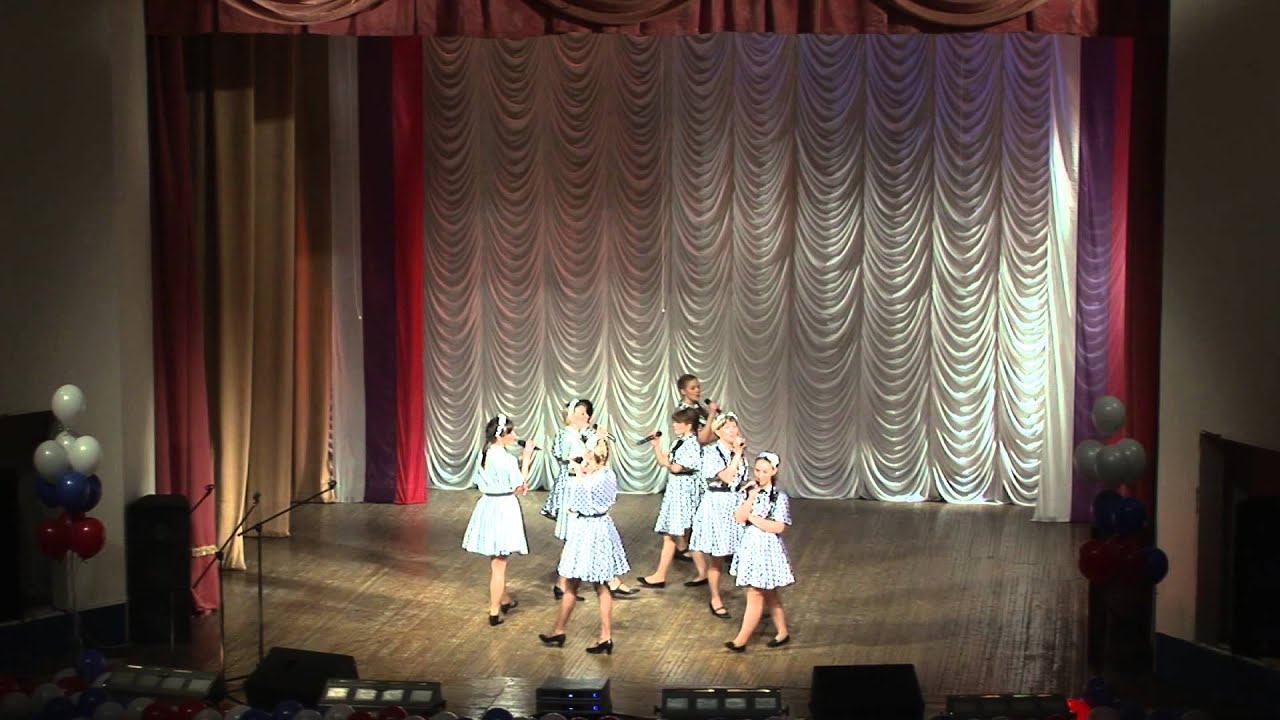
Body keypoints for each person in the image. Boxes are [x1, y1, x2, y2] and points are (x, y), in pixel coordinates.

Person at [538, 438, 629, 654]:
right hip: (603, 527)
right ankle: (599, 635)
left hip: (587, 531)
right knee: (600, 584)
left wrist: (579, 472)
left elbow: (576, 504)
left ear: (595, 458)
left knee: (572, 583)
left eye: (588, 459)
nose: (585, 462)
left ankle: (563, 630)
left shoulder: (588, 482)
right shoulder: (609, 474)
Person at [461, 414, 534, 626]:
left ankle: (504, 599)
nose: (515, 436)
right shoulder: (506, 459)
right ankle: (494, 611)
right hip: (503, 508)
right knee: (499, 564)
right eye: (512, 432)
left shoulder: (484, 453)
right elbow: (519, 484)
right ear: (501, 435)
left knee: (496, 558)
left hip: (488, 506)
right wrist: (526, 458)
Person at [725, 451, 793, 652]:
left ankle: (741, 640)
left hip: (767, 548)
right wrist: (751, 497)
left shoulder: (778, 497)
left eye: (764, 471)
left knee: (755, 592)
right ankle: (782, 632)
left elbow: (778, 526)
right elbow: (739, 517)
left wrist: (753, 519)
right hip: (750, 545)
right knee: (769, 592)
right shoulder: (749, 491)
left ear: (773, 471)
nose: (760, 475)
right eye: (757, 470)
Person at [636, 407, 708, 589]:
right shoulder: (679, 442)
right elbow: (664, 462)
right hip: (676, 491)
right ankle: (699, 573)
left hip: (684, 493)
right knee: (672, 534)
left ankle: (662, 576)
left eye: (678, 422)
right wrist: (657, 446)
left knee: (672, 534)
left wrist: (670, 463)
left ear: (688, 425)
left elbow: (676, 468)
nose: (674, 425)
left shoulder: (691, 444)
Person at [688, 411, 748, 619]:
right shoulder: (711, 452)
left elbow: (739, 479)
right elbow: (726, 477)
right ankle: (715, 598)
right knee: (718, 556)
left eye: (734, 426)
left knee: (744, 551)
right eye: (727, 427)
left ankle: (754, 599)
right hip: (718, 505)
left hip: (737, 503)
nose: (732, 431)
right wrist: (738, 454)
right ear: (718, 431)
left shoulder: (737, 451)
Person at [674, 374, 720, 445]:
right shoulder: (682, 412)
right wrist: (712, 414)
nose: (697, 390)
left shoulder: (700, 408)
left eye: (698, 387)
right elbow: (701, 439)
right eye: (692, 388)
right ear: (683, 391)